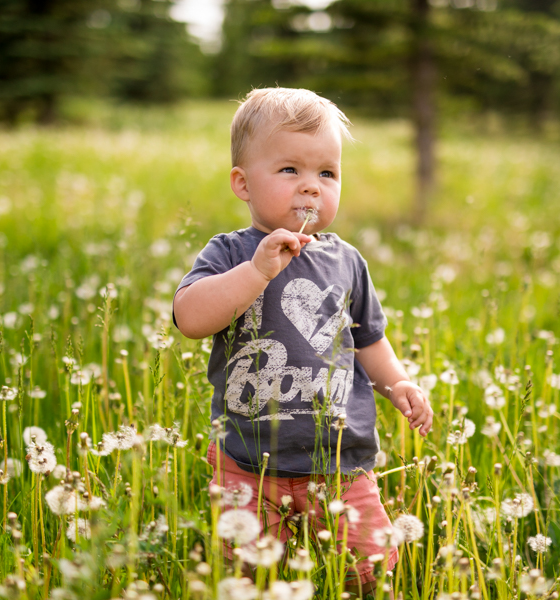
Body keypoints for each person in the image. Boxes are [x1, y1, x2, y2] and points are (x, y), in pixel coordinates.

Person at [173, 87, 433, 596]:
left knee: (369, 569)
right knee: (247, 576)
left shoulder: (348, 261)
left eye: (327, 173)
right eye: (290, 170)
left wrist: (397, 382)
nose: (311, 188)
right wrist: (256, 271)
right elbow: (189, 317)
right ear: (243, 184)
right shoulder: (231, 252)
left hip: (340, 461)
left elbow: (368, 339)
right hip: (248, 460)